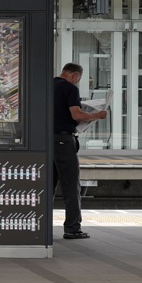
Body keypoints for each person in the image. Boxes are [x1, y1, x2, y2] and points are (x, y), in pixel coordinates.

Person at [53, 63, 108, 240]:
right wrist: (96, 115)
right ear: (75, 75)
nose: (77, 82)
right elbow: (76, 115)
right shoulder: (69, 88)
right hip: (63, 140)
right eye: (79, 79)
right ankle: (72, 228)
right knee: (70, 185)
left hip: (46, 141)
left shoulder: (48, 85)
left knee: (47, 185)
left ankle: (42, 225)